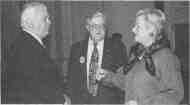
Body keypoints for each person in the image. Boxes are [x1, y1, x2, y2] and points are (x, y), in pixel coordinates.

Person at [104, 8, 184, 105]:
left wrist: (143, 103)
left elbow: (176, 94)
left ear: (151, 31)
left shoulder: (166, 57)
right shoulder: (137, 55)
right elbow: (129, 83)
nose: (133, 30)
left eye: (137, 27)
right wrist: (107, 76)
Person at [3, 2, 69, 104]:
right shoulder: (28, 48)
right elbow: (40, 85)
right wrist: (62, 101)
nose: (49, 22)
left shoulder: (24, 43)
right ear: (29, 23)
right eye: (45, 19)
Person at [67, 11, 127, 104]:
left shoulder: (117, 47)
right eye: (95, 26)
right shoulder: (76, 49)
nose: (98, 29)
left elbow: (124, 78)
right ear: (87, 27)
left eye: (102, 25)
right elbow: (71, 81)